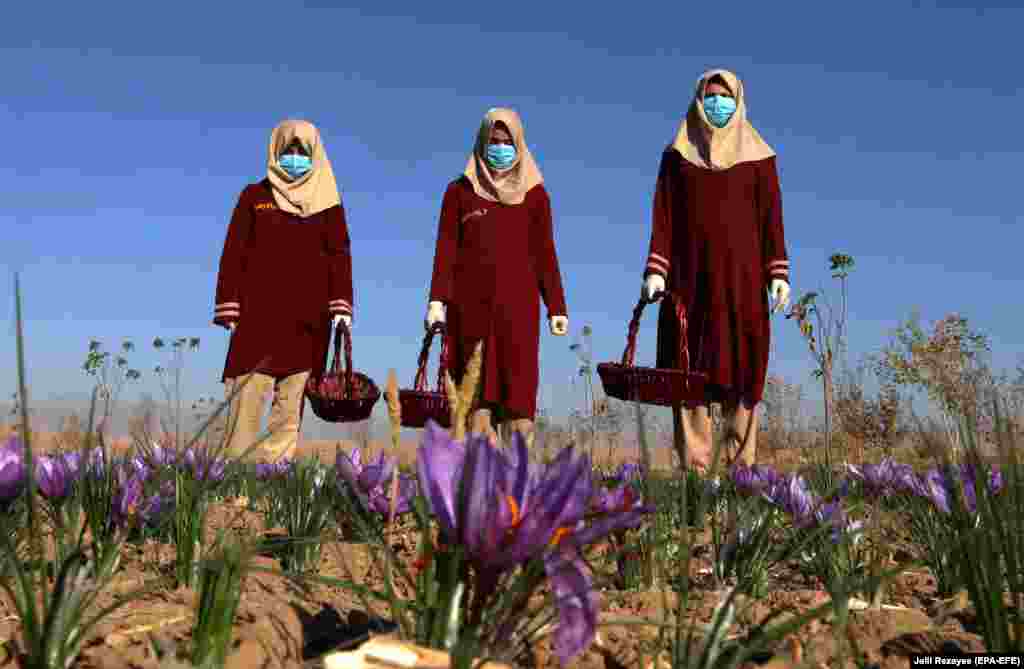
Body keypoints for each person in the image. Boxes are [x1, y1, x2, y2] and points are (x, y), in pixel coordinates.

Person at [641, 69, 791, 472]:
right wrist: (656, 268)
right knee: (689, 372)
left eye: (725, 96)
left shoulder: (760, 159)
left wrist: (777, 273)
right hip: (688, 283)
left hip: (741, 285)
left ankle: (741, 473)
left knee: (741, 369)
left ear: (738, 100)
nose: (717, 103)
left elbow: (771, 220)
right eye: (710, 96)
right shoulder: (676, 158)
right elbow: (664, 218)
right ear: (697, 100)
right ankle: (696, 474)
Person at [425, 108, 569, 447]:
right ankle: (475, 491)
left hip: (517, 318)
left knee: (517, 405)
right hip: (469, 316)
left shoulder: (535, 196)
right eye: (494, 141)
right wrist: (436, 300)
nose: (500, 148)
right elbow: (445, 250)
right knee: (475, 406)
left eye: (507, 142)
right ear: (480, 143)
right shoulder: (459, 192)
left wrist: (556, 306)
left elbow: (545, 253)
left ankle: (516, 493)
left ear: (519, 145)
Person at [212, 119, 353, 461]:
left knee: (288, 414)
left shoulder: (328, 204)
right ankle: (234, 482)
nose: (294, 157)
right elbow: (234, 251)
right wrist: (228, 304)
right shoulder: (254, 196)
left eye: (302, 151)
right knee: (244, 407)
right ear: (275, 152)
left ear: (314, 155)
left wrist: (341, 308)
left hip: (308, 324)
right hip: (257, 320)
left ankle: (274, 480)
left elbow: (340, 255)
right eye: (287, 150)